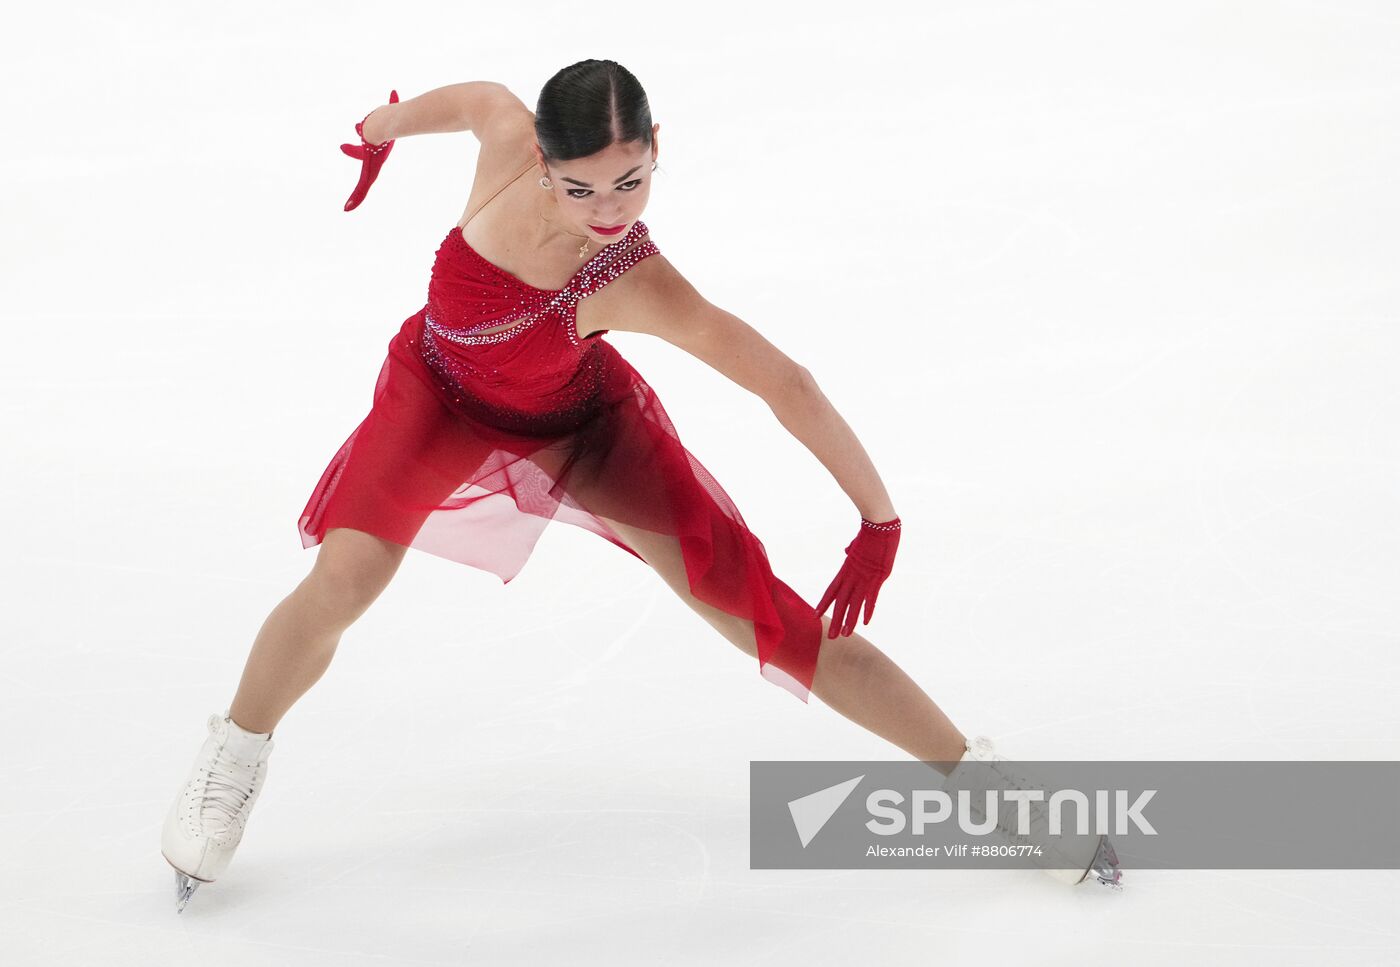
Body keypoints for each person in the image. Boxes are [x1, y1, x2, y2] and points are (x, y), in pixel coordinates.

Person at [160, 60, 1121, 912]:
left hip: (585, 425)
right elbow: (438, 108)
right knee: (347, 578)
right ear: (539, 158)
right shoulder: (501, 129)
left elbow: (785, 382)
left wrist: (879, 516)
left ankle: (995, 790)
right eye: (581, 187)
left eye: (632, 178)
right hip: (435, 393)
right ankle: (234, 754)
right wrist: (372, 135)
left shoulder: (630, 276)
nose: (610, 209)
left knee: (765, 617)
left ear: (658, 146)